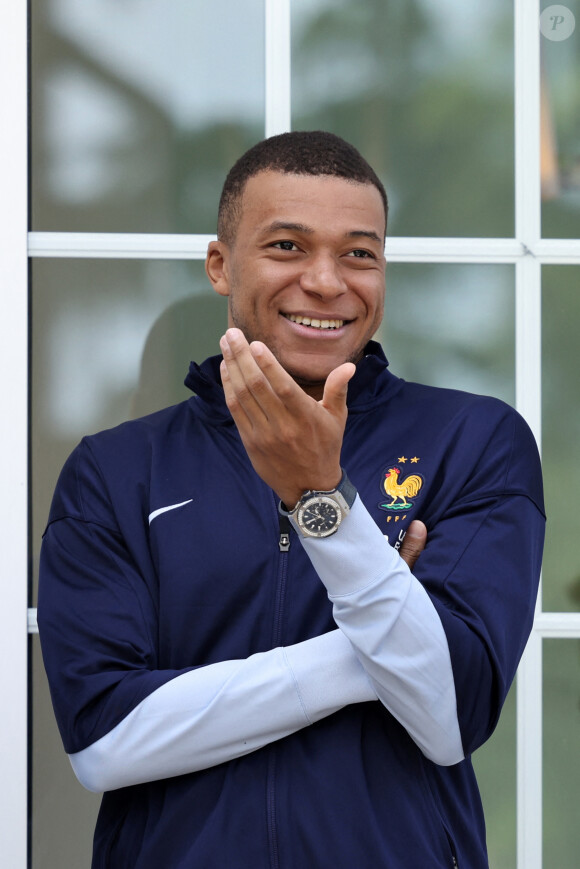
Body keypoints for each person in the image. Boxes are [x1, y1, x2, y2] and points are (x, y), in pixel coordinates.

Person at [38, 131, 545, 868]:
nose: (327, 280)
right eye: (286, 246)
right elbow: (106, 741)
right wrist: (378, 636)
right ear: (221, 264)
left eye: (360, 253)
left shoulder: (473, 439)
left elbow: (447, 712)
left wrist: (322, 501)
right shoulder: (117, 470)